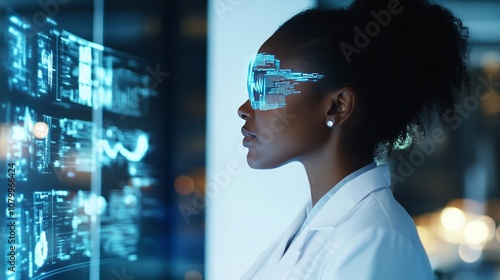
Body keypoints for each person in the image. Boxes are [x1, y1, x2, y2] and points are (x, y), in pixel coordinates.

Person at [237, 0, 469, 279]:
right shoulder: (316, 226)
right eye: (251, 85)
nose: (244, 108)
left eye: (266, 86)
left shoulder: (376, 240)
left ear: (338, 106)